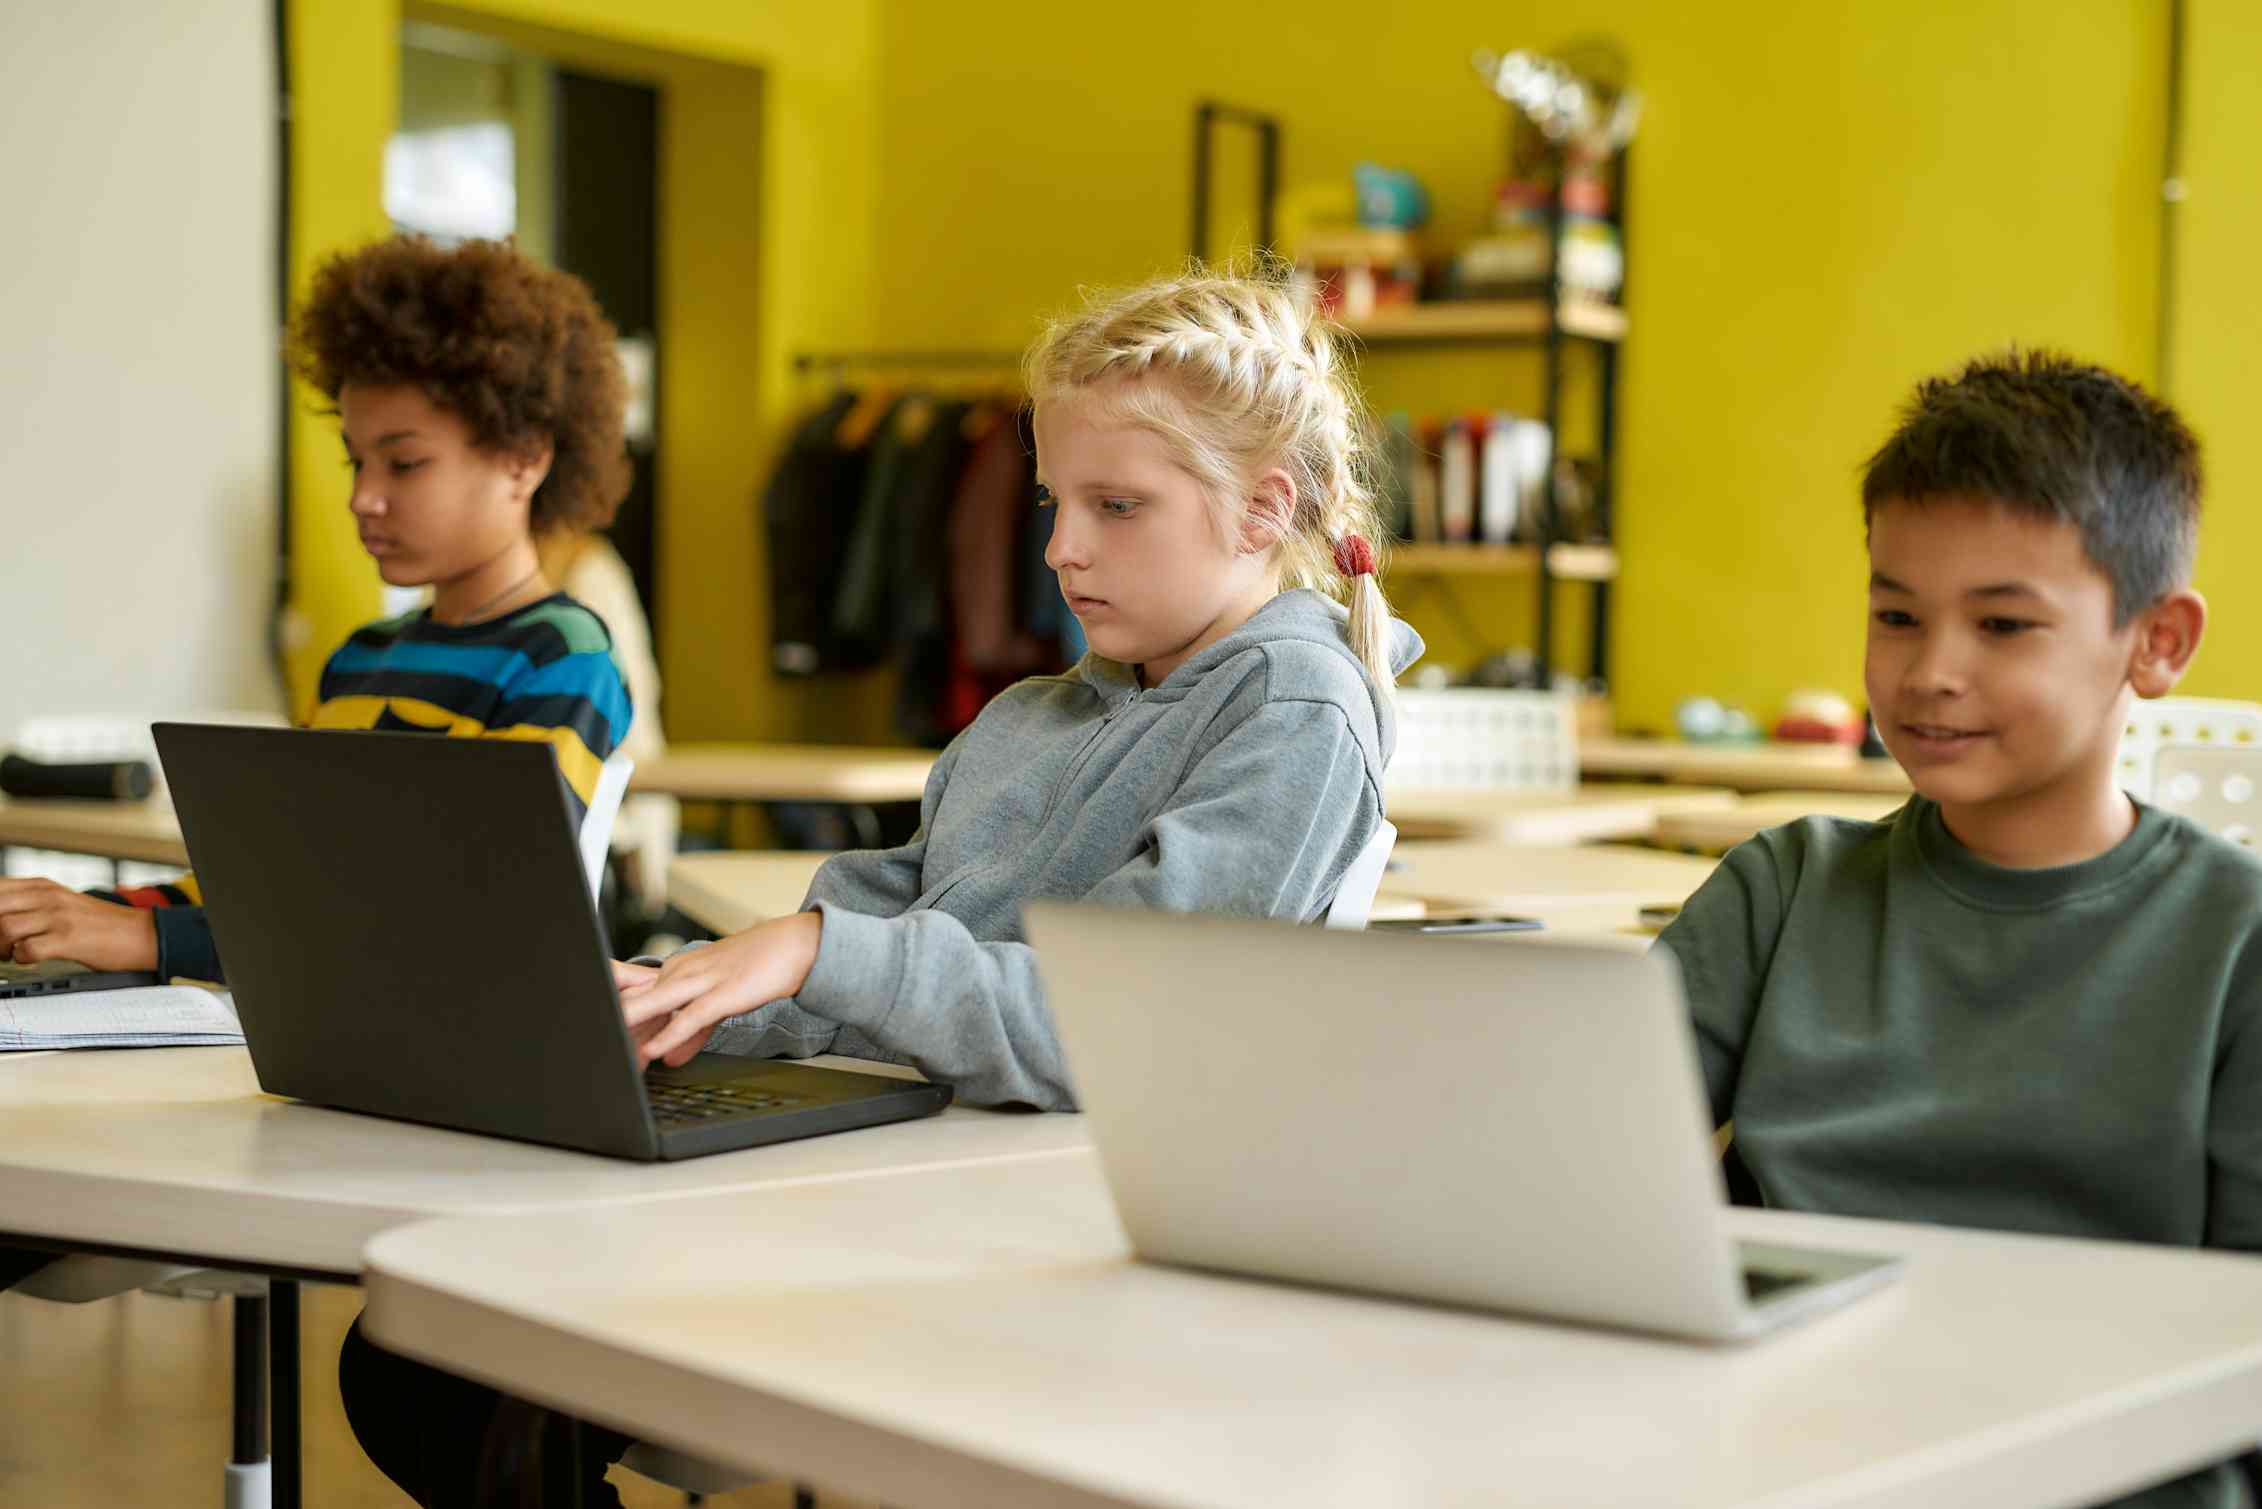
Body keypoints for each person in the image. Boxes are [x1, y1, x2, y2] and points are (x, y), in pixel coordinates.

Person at [338, 262, 1424, 1505]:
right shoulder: (1035, 712)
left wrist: (816, 952)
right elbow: (878, 924)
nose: (1064, 551)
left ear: (1258, 509)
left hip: (1049, 1232)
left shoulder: (1295, 712)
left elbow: (1126, 1030)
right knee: (423, 1347)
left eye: (1117, 507)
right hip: (923, 1171)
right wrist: (686, 997)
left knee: (458, 1370)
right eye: (1055, 503)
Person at [1659, 350, 2259, 1509]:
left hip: (2110, 1470)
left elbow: (2242, 1343)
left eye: (2003, 624)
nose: (1930, 673)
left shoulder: (2238, 941)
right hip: (1785, 1451)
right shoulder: (1781, 890)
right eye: (1896, 613)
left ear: (2159, 642)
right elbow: (1585, 1170)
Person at [0, 234, 635, 984]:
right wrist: (59, 917)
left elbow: (455, 911)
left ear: (525, 457)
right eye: (355, 459)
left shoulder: (564, 658)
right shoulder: (362, 659)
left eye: (404, 462)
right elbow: (265, 893)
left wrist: (145, 936)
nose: (363, 497)